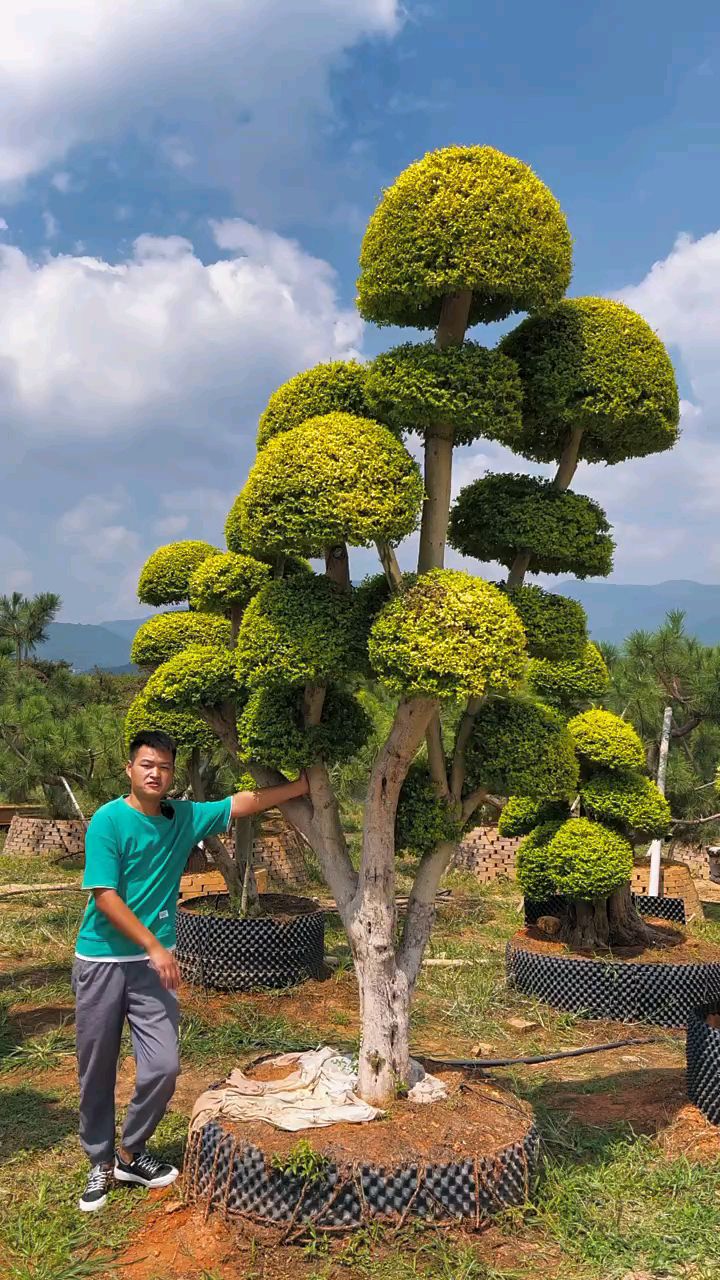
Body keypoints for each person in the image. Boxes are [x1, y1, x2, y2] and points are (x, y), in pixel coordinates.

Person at [72, 729, 310, 1213]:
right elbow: (104, 895)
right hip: (101, 961)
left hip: (150, 966)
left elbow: (239, 803)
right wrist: (154, 946)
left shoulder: (182, 818)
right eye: (145, 765)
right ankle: (99, 1160)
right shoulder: (108, 821)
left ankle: (130, 1152)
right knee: (96, 1068)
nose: (154, 773)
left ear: (171, 773)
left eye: (162, 766)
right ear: (130, 770)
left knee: (162, 1066)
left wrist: (300, 787)